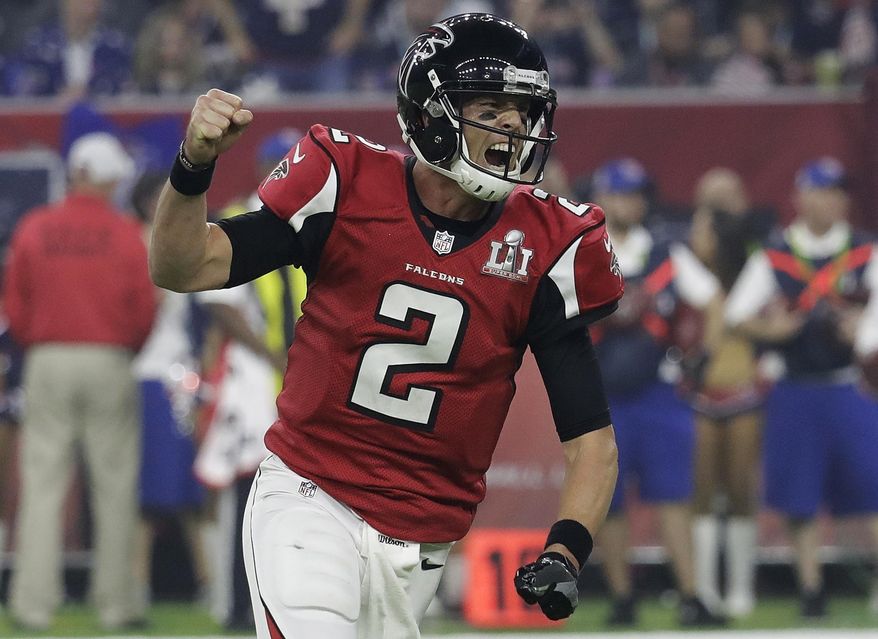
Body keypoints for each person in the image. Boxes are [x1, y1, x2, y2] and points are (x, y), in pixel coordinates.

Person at [149, 13, 623, 637]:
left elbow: (591, 442)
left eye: (522, 111)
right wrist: (193, 166)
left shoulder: (547, 243)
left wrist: (566, 550)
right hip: (311, 496)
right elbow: (181, 266)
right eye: (490, 108)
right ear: (430, 115)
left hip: (424, 537)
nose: (512, 126)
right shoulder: (346, 182)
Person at [4, 132, 157, 630]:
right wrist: (123, 349)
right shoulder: (125, 234)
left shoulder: (34, 228)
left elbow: (15, 305)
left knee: (42, 485)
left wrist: (37, 343)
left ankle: (32, 604)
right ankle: (117, 604)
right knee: (114, 486)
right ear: (106, 179)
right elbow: (144, 308)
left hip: (47, 358)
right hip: (109, 359)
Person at [725, 157, 878, 618]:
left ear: (843, 200)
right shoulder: (775, 253)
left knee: (869, 488)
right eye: (816, 191)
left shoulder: (864, 250)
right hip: (794, 388)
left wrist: (862, 330)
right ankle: (811, 590)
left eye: (833, 192)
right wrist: (774, 330)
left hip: (850, 387)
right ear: (798, 197)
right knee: (799, 496)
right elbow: (736, 314)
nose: (825, 201)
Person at [588, 158, 725, 627]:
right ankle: (622, 598)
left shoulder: (667, 253)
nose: (630, 203)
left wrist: (704, 355)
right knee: (608, 500)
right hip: (602, 393)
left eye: (635, 194)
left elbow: (712, 299)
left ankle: (691, 596)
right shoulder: (583, 251)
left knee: (673, 495)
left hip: (658, 392)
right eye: (621, 193)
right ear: (602, 197)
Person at [687, 168, 770, 618]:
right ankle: (704, 588)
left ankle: (741, 587)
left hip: (740, 391)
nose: (699, 235)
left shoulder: (751, 267)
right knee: (701, 493)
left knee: (740, 490)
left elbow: (769, 318)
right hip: (699, 394)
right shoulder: (685, 274)